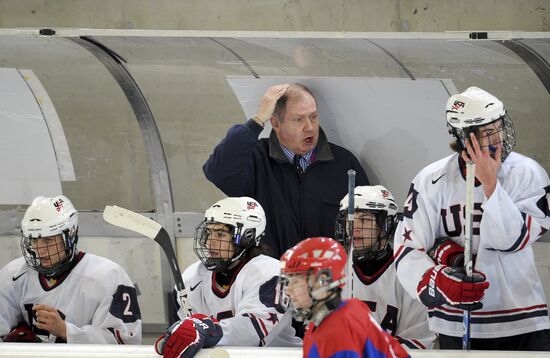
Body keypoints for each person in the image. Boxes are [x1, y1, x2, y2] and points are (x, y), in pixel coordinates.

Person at [393, 86, 550, 350]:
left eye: (499, 127)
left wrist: (490, 185)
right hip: (453, 322)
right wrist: (437, 281)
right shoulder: (431, 180)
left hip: (522, 320)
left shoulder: (528, 174)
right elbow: (408, 247)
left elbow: (511, 239)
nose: (498, 137)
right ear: (464, 137)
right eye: (488, 131)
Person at [203, 83, 369, 258]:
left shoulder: (344, 164)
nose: (310, 127)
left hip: (328, 279)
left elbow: (368, 225)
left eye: (313, 117)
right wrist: (257, 121)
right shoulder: (256, 160)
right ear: (275, 123)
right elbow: (217, 171)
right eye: (299, 120)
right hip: (272, 279)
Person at [155, 197, 301, 358]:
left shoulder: (270, 272)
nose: (210, 242)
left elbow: (253, 332)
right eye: (208, 232)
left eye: (220, 234)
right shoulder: (191, 278)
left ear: (247, 236)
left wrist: (209, 329)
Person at [0, 195, 142, 344]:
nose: (39, 250)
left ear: (70, 235)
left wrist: (65, 330)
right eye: (34, 240)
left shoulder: (109, 277)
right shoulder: (13, 275)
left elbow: (125, 343)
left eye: (48, 240)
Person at [335, 185, 435, 349]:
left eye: (365, 220)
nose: (355, 228)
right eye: (350, 220)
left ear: (386, 226)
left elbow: (417, 341)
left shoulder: (411, 272)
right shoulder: (332, 273)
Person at [279, 236, 409, 357]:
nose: (288, 290)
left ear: (322, 281)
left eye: (295, 281)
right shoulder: (321, 324)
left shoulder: (340, 325)